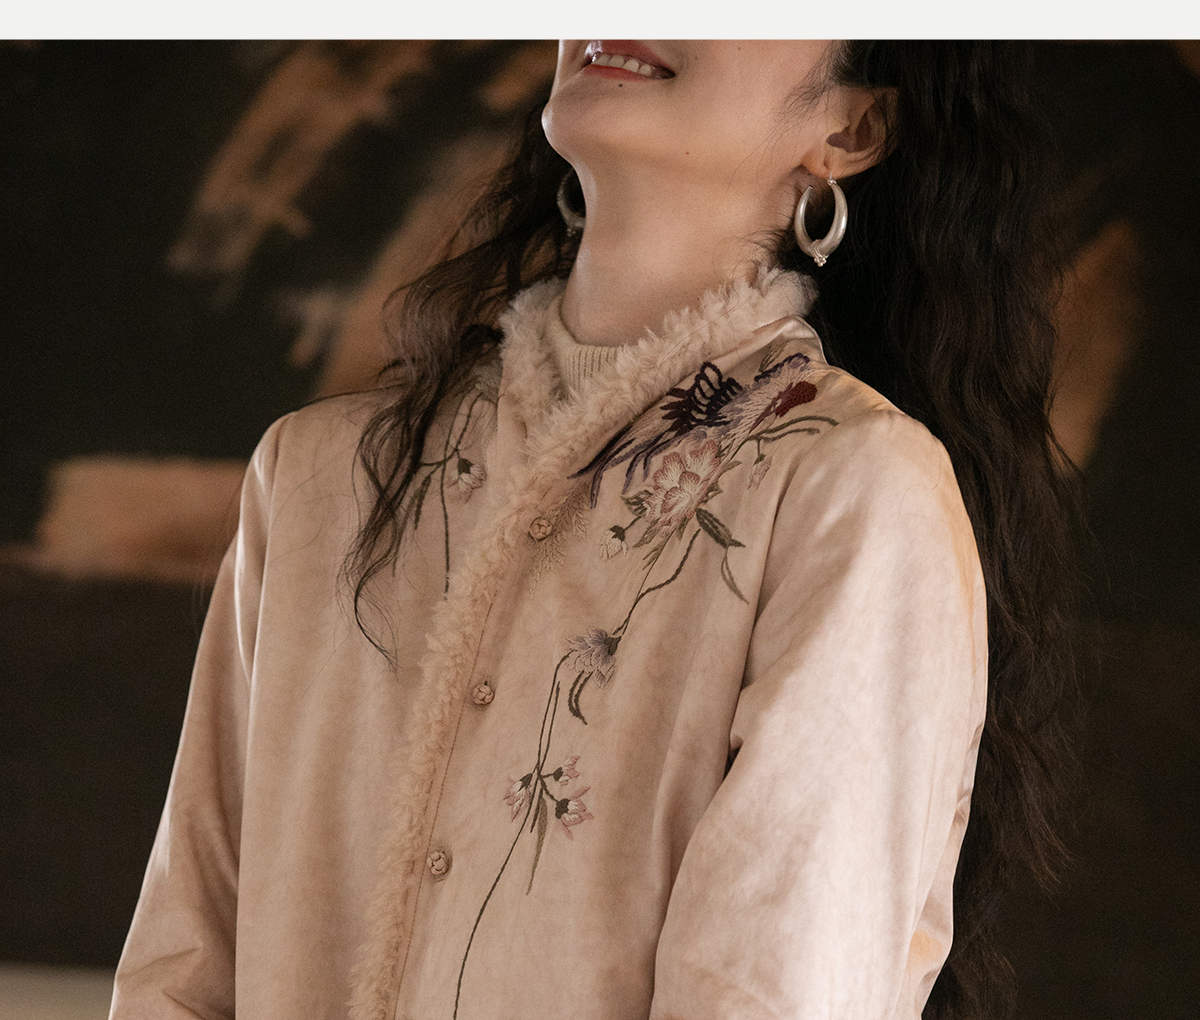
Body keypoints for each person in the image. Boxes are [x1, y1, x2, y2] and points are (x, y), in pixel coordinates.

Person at [110, 40, 1078, 1020]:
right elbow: (178, 971)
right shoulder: (322, 475)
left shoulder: (851, 492)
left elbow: (772, 995)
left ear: (852, 130)